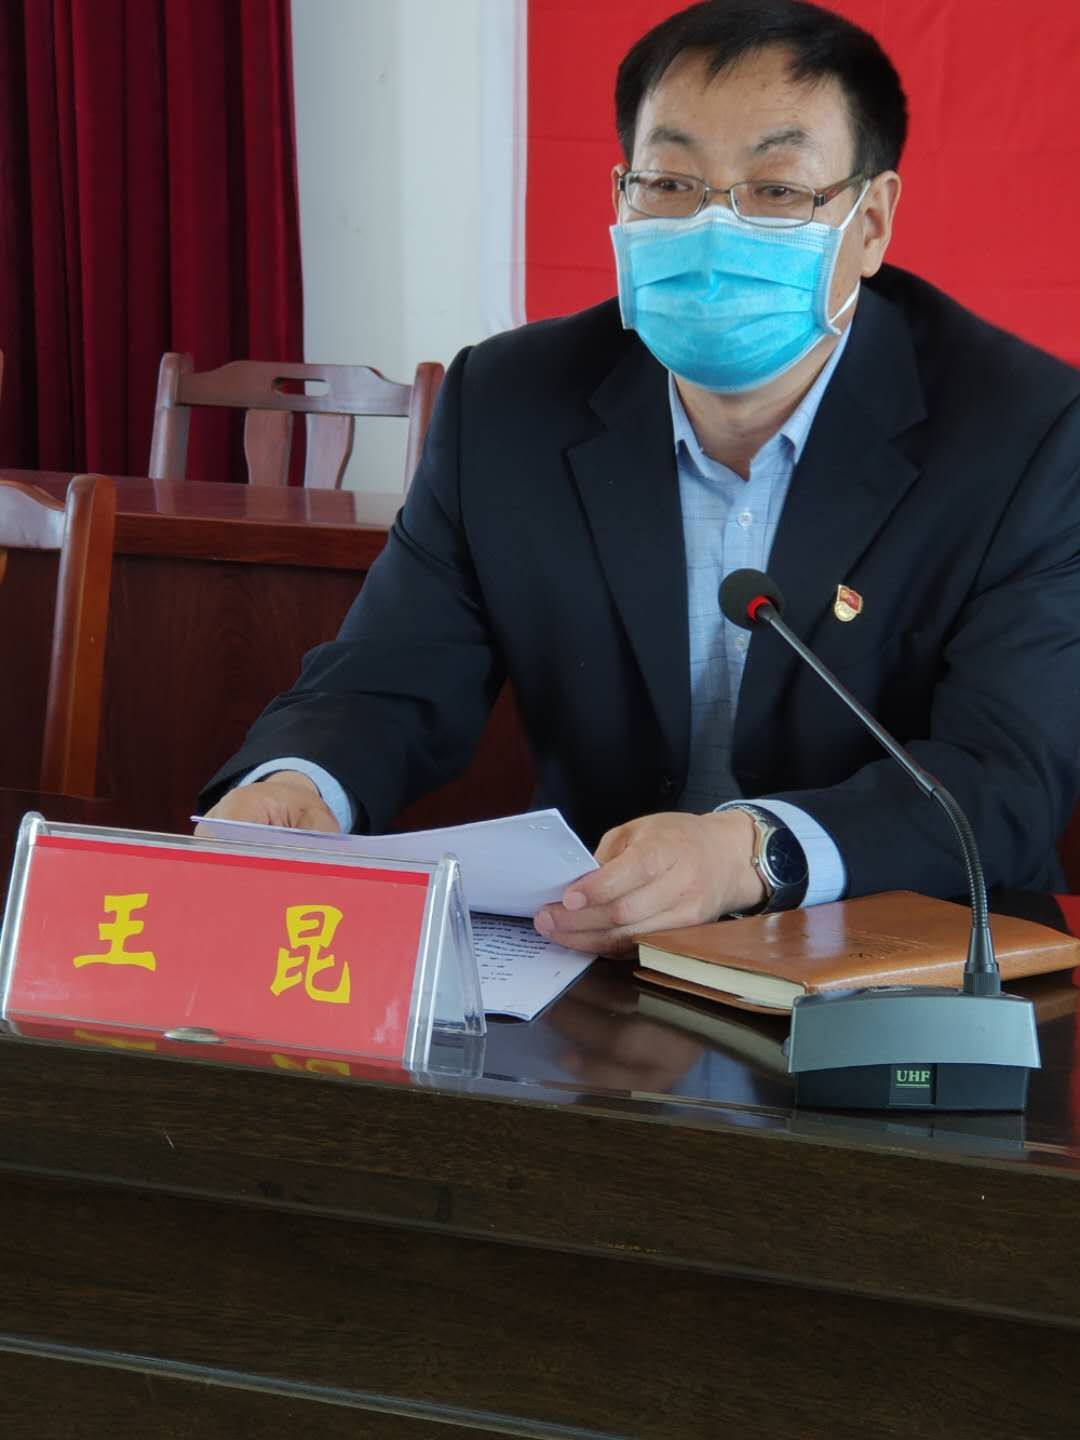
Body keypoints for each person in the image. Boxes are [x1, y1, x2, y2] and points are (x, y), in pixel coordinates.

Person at [200, 0, 1080, 956]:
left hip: (900, 961)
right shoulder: (510, 404)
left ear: (869, 223)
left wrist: (750, 853)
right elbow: (389, 674)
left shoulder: (1023, 432)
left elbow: (1006, 778)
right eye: (670, 183)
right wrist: (299, 784)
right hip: (597, 951)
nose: (713, 226)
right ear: (622, 197)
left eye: (776, 190)